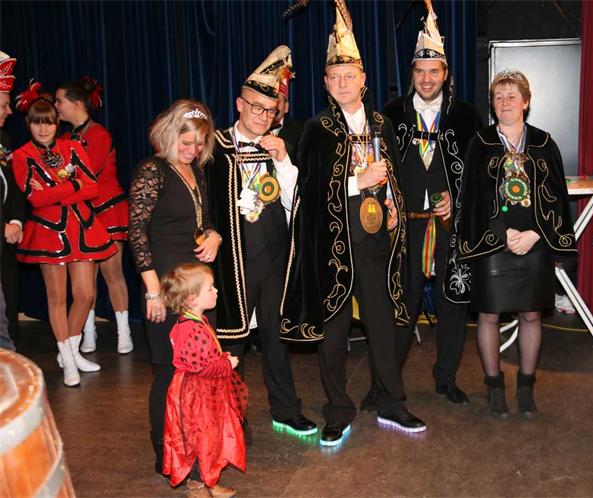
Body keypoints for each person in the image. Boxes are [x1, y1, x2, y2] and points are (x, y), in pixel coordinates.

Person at [281, 1, 426, 446]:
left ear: (363, 79)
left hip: (377, 243)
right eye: (335, 77)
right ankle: (338, 411)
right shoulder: (318, 129)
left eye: (350, 75)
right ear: (325, 83)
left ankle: (390, 401)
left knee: (385, 326)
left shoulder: (382, 124)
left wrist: (395, 204)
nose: (343, 83)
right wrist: (354, 182)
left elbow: (395, 176)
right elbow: (308, 191)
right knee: (335, 333)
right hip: (334, 246)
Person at [367, 2, 482, 408]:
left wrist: (459, 197)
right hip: (406, 228)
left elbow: (481, 175)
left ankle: (446, 378)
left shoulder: (466, 116)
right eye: (420, 71)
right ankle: (383, 385)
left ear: (445, 73)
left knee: (453, 305)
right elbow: (376, 169)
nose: (427, 78)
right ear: (412, 73)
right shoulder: (390, 115)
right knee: (401, 307)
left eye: (434, 71)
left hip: (451, 229)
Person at [206, 45, 316, 436]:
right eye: (256, 107)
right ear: (239, 104)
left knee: (276, 339)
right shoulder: (215, 148)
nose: (263, 116)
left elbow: (295, 203)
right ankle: (225, 416)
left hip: (274, 260)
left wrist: (284, 162)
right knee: (230, 342)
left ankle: (285, 409)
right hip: (233, 263)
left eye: (270, 111)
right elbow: (201, 202)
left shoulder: (279, 149)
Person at [455, 70, 576, 419]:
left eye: (512, 96)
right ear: (492, 104)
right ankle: (494, 385)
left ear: (526, 102)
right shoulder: (480, 143)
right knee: (489, 314)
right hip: (494, 243)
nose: (505, 102)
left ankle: (526, 386)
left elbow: (557, 196)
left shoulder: (543, 143)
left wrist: (537, 232)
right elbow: (473, 198)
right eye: (498, 97)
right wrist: (501, 233)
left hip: (535, 242)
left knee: (532, 313)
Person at [128, 99, 222, 472]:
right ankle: (165, 454)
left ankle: (193, 447)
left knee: (198, 370)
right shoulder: (153, 170)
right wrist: (153, 291)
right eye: (186, 142)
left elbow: (204, 219)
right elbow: (137, 233)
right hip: (166, 287)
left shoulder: (195, 170)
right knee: (169, 372)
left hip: (196, 287)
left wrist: (213, 235)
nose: (193, 150)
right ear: (169, 134)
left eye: (199, 143)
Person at [12, 81, 117, 385]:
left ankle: (71, 349)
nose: (43, 128)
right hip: (48, 232)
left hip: (82, 228)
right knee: (57, 297)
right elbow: (35, 199)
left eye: (48, 122)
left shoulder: (73, 147)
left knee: (85, 294)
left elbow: (92, 188)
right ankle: (68, 359)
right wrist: (73, 186)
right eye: (37, 123)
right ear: (29, 124)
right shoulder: (21, 155)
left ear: (56, 123)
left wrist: (58, 190)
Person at [56, 76, 132, 354]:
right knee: (85, 281)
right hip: (81, 215)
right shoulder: (64, 139)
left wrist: (61, 177)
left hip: (107, 210)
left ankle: (124, 333)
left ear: (76, 103)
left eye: (59, 101)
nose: (56, 106)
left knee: (113, 273)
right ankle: (89, 333)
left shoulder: (99, 134)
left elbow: (87, 171)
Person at [160, 263, 246, 498]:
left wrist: (220, 357)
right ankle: (196, 486)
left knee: (211, 436)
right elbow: (203, 367)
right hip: (197, 395)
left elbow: (202, 357)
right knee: (201, 438)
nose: (216, 291)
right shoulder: (192, 329)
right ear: (192, 299)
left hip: (202, 390)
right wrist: (227, 364)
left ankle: (209, 479)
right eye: (210, 288)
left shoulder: (196, 322)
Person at [0, 50, 22, 351]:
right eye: (4, 104)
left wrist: (15, 220)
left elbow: (12, 186)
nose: (9, 110)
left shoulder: (3, 139)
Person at [270, 70, 304, 161]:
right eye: (271, 100)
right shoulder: (255, 127)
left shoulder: (301, 131)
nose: (274, 105)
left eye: (278, 101)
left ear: (286, 107)